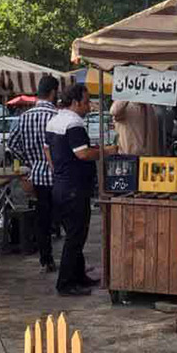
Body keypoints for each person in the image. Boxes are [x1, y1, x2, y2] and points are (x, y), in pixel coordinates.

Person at [45, 84, 118, 296]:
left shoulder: (54, 121)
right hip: (74, 188)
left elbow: (47, 150)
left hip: (60, 185)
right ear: (75, 102)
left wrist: (58, 171)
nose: (88, 106)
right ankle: (66, 283)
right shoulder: (73, 123)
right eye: (86, 102)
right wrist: (108, 151)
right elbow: (83, 154)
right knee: (76, 236)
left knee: (73, 234)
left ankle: (78, 276)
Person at [9, 75, 60, 272]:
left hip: (36, 175)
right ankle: (68, 260)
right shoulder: (56, 116)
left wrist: (29, 161)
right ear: (53, 92)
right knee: (64, 217)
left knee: (42, 219)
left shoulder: (23, 118)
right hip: (57, 175)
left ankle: (46, 258)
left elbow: (12, 144)